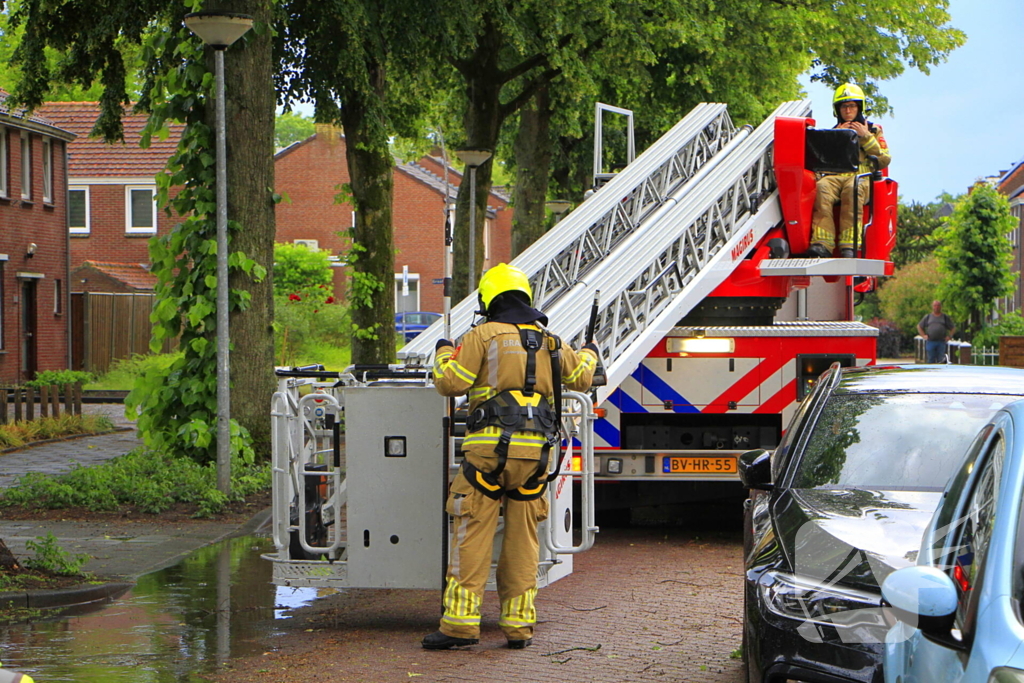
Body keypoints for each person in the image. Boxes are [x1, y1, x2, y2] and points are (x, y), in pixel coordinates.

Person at [422, 263, 599, 651]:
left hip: (486, 457)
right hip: (534, 460)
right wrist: (588, 351)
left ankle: (460, 626)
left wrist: (443, 352)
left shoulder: (481, 335)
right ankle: (518, 627)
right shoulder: (551, 341)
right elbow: (584, 377)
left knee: (471, 535)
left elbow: (450, 383)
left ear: (489, 299)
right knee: (523, 542)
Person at [808, 83, 891, 259]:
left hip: (861, 178)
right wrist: (835, 139)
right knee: (821, 187)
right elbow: (824, 161)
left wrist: (865, 137)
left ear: (859, 107)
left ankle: (849, 246)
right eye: (844, 106)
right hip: (836, 177)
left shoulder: (874, 130)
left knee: (852, 190)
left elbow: (884, 159)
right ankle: (822, 244)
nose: (848, 110)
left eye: (852, 105)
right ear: (837, 110)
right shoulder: (833, 132)